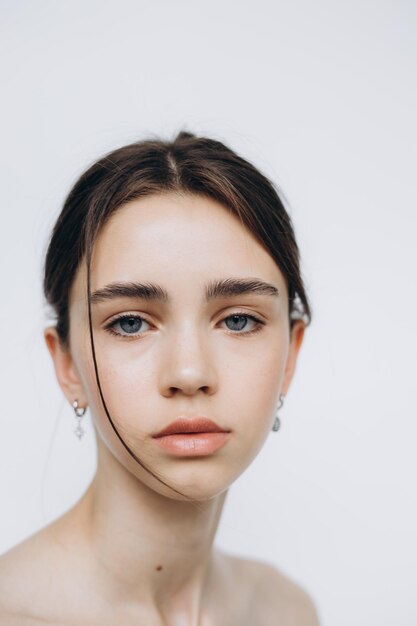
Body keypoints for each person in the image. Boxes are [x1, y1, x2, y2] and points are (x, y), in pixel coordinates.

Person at [0, 131, 319, 625]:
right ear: (66, 364)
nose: (189, 374)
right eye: (130, 323)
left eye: (239, 320)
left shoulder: (286, 611)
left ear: (290, 355)